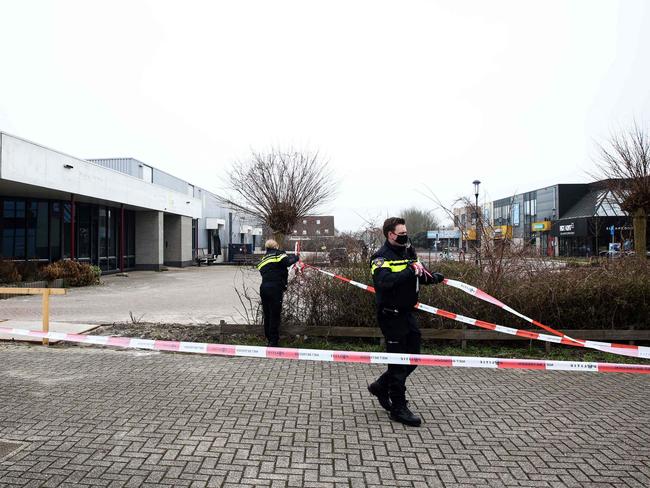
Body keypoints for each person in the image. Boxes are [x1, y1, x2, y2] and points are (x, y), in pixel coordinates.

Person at [367, 217, 444, 427]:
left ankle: (381, 385)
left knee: (413, 357)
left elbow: (419, 274)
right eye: (401, 233)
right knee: (399, 362)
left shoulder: (408, 252)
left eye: (405, 233)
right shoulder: (380, 258)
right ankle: (398, 408)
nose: (404, 236)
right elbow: (384, 283)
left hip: (408, 314)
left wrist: (433, 277)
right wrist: (408, 271)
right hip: (391, 315)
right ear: (390, 234)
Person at [256, 239, 300, 347]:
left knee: (267, 314)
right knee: (275, 315)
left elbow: (264, 270)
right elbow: (287, 262)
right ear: (276, 246)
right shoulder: (278, 254)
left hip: (264, 288)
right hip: (275, 288)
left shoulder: (264, 258)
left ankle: (268, 338)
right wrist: (296, 257)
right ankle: (273, 342)